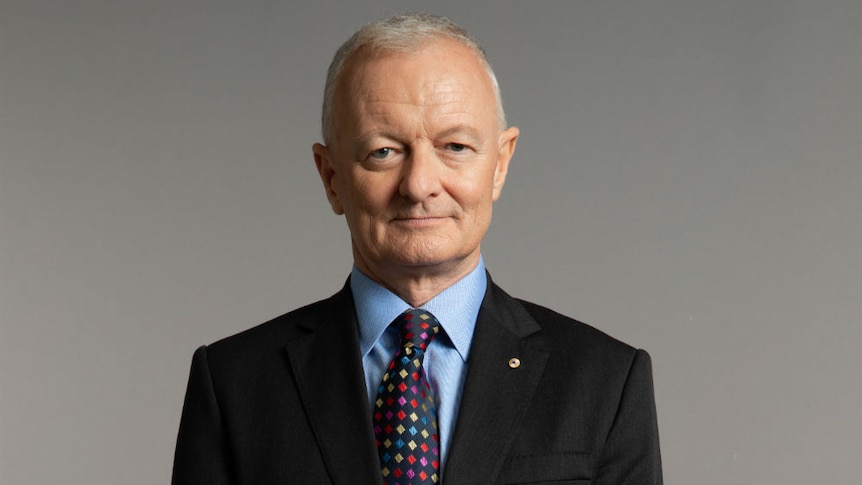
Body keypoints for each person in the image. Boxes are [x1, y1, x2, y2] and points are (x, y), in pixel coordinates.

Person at [172, 13, 662, 485]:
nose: (420, 184)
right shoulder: (234, 385)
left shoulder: (606, 382)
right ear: (331, 177)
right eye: (383, 151)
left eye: (456, 147)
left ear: (499, 164)